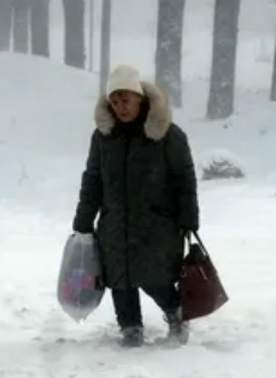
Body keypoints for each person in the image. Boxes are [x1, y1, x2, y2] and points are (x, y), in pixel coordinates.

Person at [72, 64, 200, 347]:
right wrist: (83, 219)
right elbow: (93, 178)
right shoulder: (103, 136)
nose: (120, 107)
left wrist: (188, 216)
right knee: (120, 278)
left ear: (139, 97)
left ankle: (176, 313)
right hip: (114, 222)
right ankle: (130, 328)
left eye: (125, 100)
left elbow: (184, 177)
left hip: (157, 222)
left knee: (156, 277)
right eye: (114, 101)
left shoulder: (167, 134)